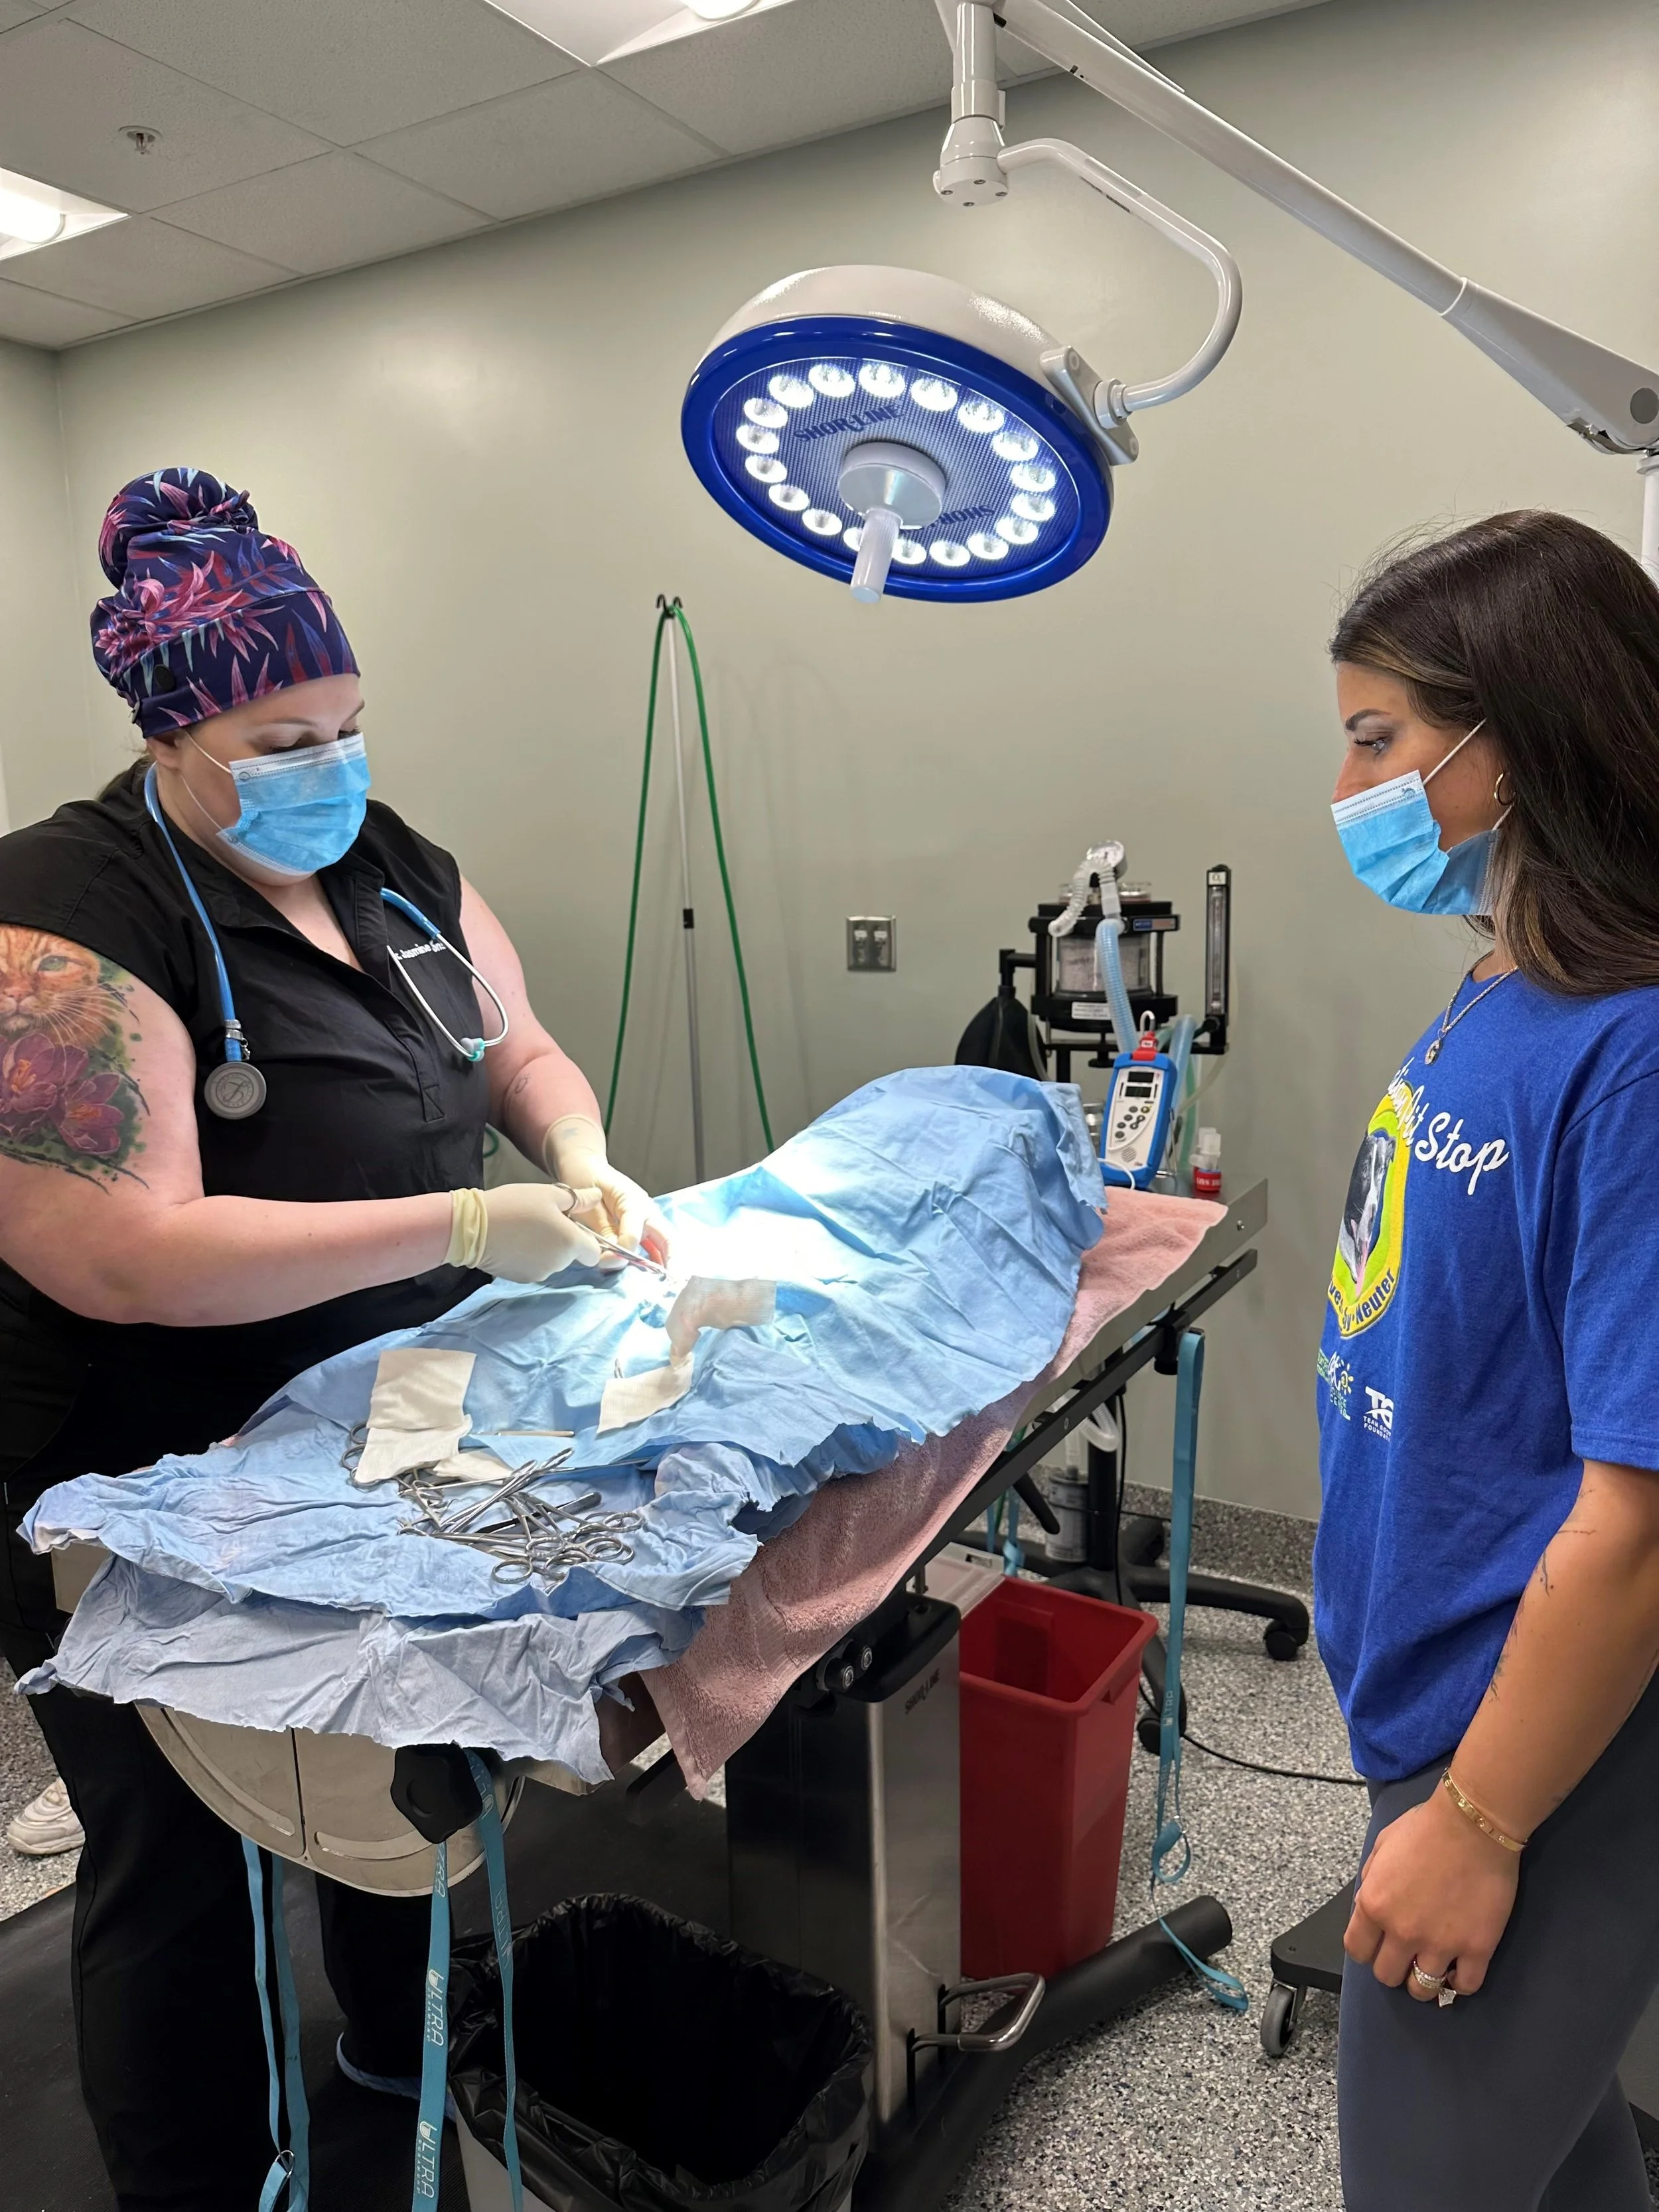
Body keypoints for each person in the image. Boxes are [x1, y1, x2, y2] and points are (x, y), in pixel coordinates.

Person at [0, 467, 668, 2210]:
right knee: (178, 1847)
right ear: (169, 733)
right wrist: (461, 1226)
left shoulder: (389, 863)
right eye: (285, 738)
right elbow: (118, 1253)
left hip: (383, 1405)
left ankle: (400, 2048)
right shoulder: (62, 913)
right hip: (140, 1451)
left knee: (407, 1740)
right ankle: (195, 2177)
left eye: (350, 725)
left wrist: (574, 1153)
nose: (332, 765)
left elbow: (514, 1048)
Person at [1315, 509, 1659, 2210]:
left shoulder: (1636, 1050)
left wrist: (1478, 1821)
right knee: (1560, 2160)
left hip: (1548, 1749)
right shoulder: (1502, 986)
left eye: (1377, 740)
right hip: (1432, 1697)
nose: (1345, 790)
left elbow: (1638, 1521)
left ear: (1509, 741)